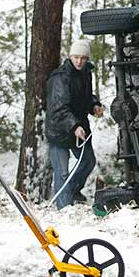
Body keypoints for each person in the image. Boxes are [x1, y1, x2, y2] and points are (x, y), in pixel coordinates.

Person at [45, 39, 104, 209]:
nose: (79, 61)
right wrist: (74, 126)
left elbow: (85, 97)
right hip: (59, 131)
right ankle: (64, 209)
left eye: (83, 58)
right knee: (62, 172)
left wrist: (94, 105)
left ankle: (72, 191)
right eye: (76, 57)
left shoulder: (86, 73)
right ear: (70, 56)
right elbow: (59, 108)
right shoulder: (60, 78)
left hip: (79, 128)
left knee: (88, 161)